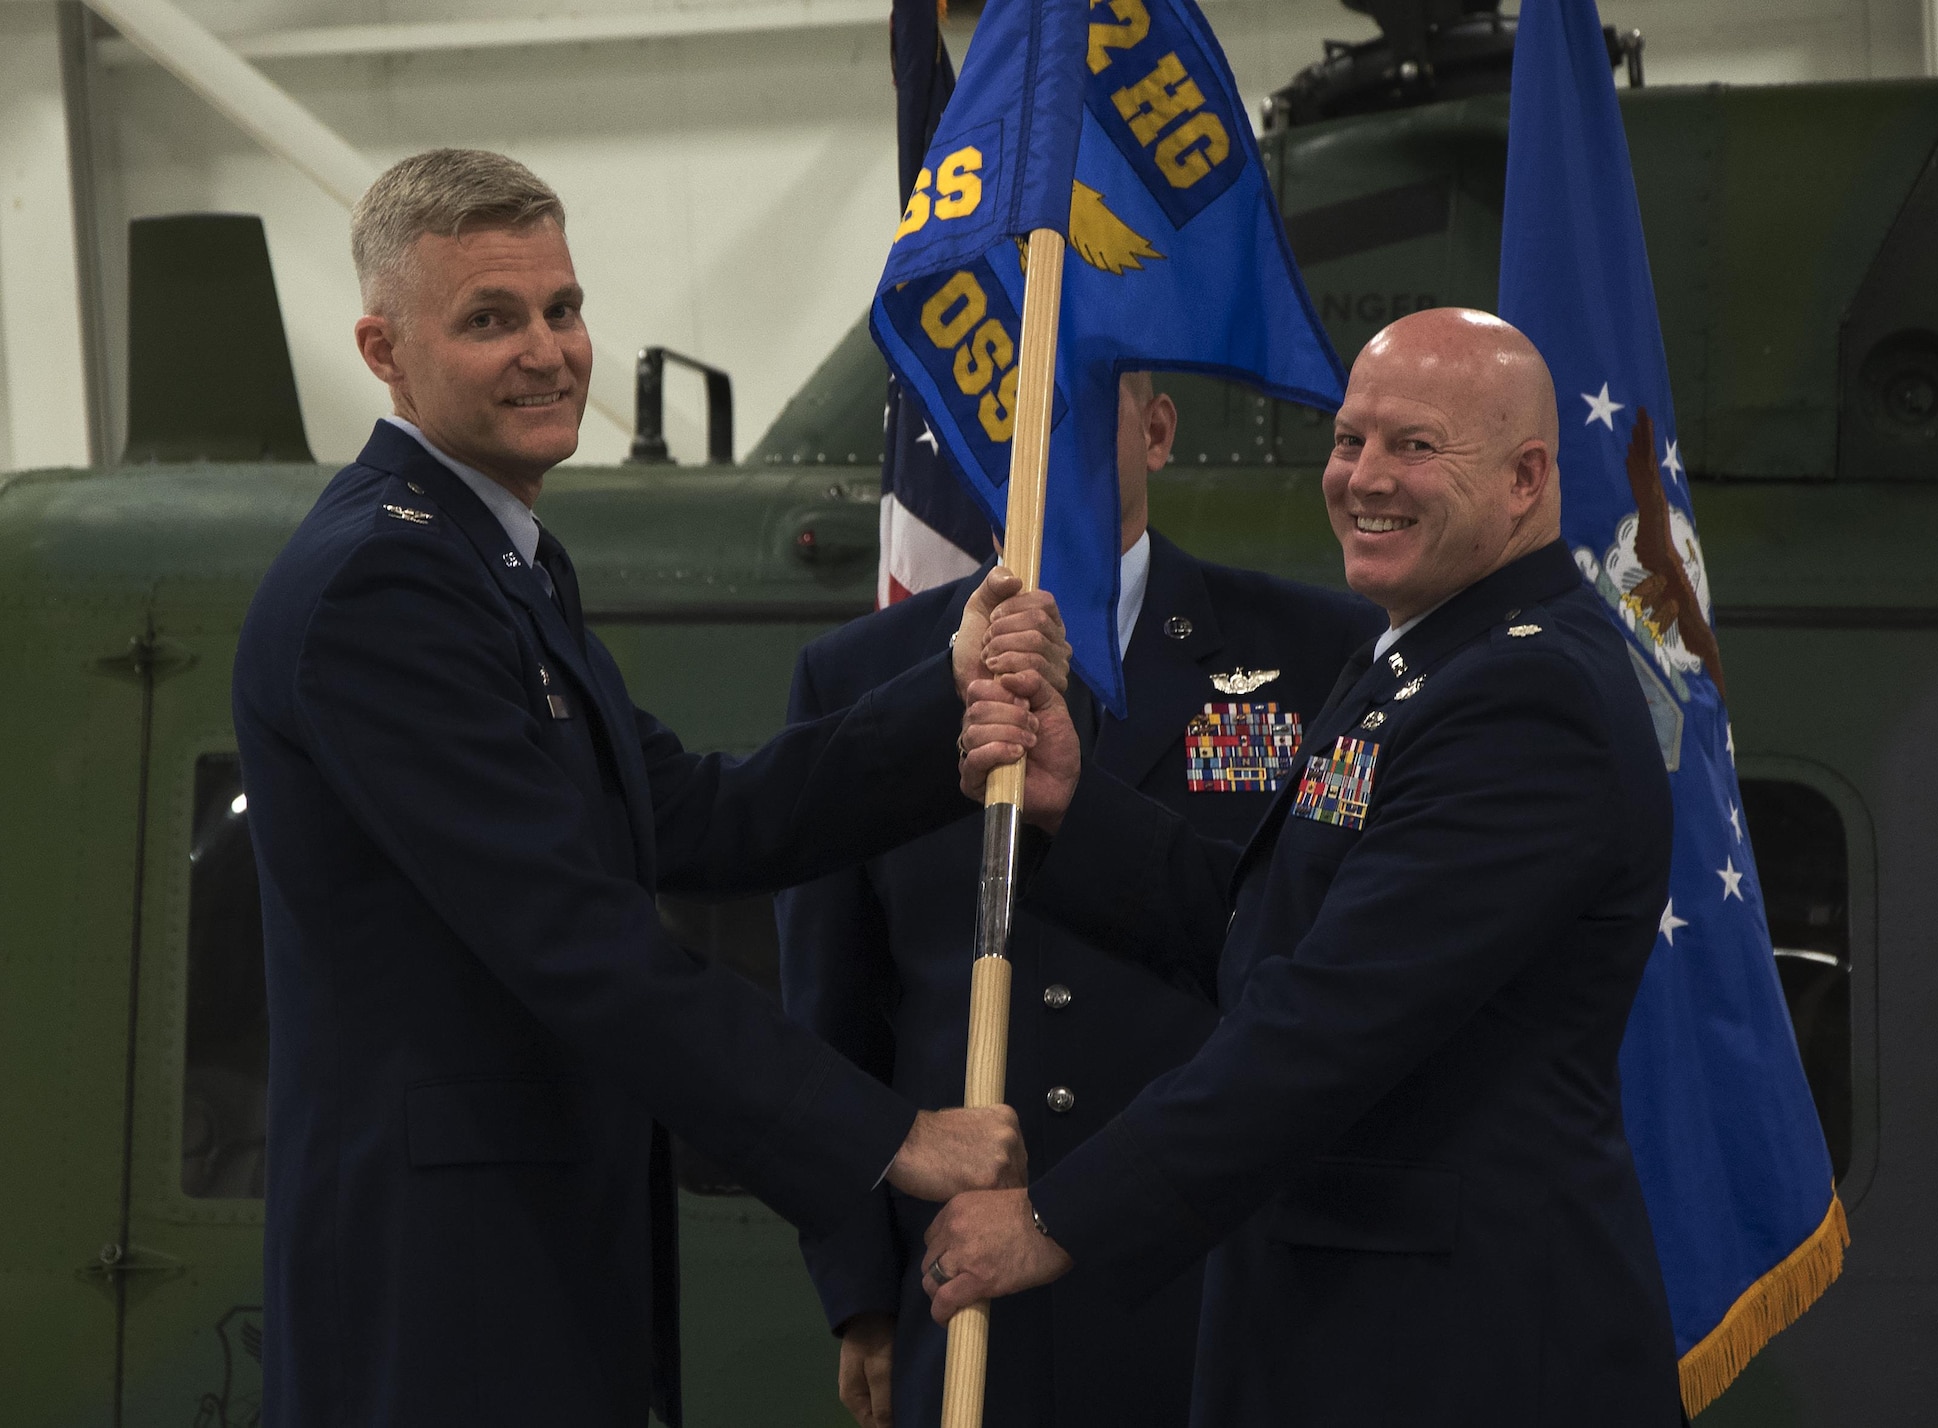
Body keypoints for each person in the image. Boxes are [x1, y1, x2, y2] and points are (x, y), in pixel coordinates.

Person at [231, 149, 1054, 1428]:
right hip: (441, 1284)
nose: (548, 351)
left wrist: (939, 702)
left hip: (537, 1245)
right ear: (382, 349)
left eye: (561, 309)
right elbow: (574, 941)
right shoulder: (378, 588)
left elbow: (692, 815)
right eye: (491, 319)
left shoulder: (493, 560)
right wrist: (885, 1138)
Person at [929, 308, 1685, 1426]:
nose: (1362, 478)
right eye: (1348, 440)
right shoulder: (1419, 657)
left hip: (1453, 1358)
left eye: (1414, 447)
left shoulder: (1526, 700)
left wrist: (1054, 1218)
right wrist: (1072, 807)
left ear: (1526, 477)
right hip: (1353, 1334)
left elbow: (1325, 1021)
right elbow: (1272, 935)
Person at [777, 371, 1384, 1428]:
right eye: (1004, 412)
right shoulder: (864, 680)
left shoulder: (1315, 653)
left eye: (1069, 404)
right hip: (963, 1299)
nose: (1032, 442)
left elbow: (1331, 973)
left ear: (1155, 431)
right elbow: (831, 1018)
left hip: (1223, 1279)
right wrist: (858, 1297)